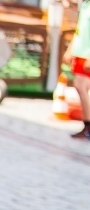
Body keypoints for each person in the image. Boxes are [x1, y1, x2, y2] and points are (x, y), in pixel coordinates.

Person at [65, 0, 90, 140]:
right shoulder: (85, 4)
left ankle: (88, 125)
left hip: (87, 54)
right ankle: (86, 125)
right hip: (80, 53)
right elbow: (80, 30)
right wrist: (70, 50)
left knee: (80, 86)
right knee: (82, 87)